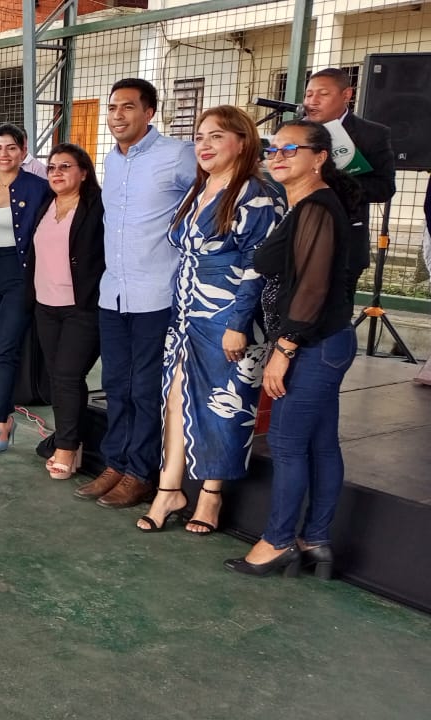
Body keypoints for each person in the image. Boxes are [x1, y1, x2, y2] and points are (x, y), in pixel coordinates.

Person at [135, 106, 284, 534]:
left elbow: (258, 267)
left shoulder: (258, 194)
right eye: (200, 136)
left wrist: (238, 324)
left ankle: (210, 496)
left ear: (243, 141)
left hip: (229, 316)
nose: (204, 144)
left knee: (224, 404)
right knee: (175, 398)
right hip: (185, 314)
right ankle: (169, 489)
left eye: (216, 136)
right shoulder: (198, 188)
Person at [226, 120, 360, 578]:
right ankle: (315, 541)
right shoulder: (305, 205)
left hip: (312, 347)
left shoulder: (316, 208)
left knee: (286, 444)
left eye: (290, 149)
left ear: (319, 157)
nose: (277, 157)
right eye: (273, 149)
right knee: (320, 444)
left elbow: (312, 288)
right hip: (323, 344)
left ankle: (278, 541)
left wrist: (283, 350)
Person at [74, 78, 195, 509]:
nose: (117, 115)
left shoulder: (178, 155)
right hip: (114, 294)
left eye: (127, 107)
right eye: (112, 108)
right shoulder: (112, 159)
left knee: (144, 389)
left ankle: (140, 473)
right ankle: (116, 463)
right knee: (114, 385)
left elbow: (210, 199)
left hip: (156, 295)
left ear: (150, 112)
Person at [0, 124, 51, 460]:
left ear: (23, 150)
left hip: (20, 273)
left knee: (5, 349)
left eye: (11, 147)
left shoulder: (38, 187)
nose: (4, 154)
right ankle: (6, 420)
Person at [28, 143, 105, 479]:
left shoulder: (97, 206)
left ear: (83, 172)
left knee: (68, 375)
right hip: (45, 306)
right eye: (52, 167)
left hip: (81, 307)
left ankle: (66, 447)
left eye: (65, 166)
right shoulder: (46, 205)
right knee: (58, 378)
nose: (56, 173)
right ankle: (70, 439)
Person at [301, 68, 396, 303]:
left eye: (323, 94)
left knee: (336, 312)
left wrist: (336, 182)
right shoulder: (293, 131)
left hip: (344, 239)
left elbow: (384, 187)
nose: (313, 101)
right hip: (297, 235)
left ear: (346, 95)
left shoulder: (372, 134)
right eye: (309, 94)